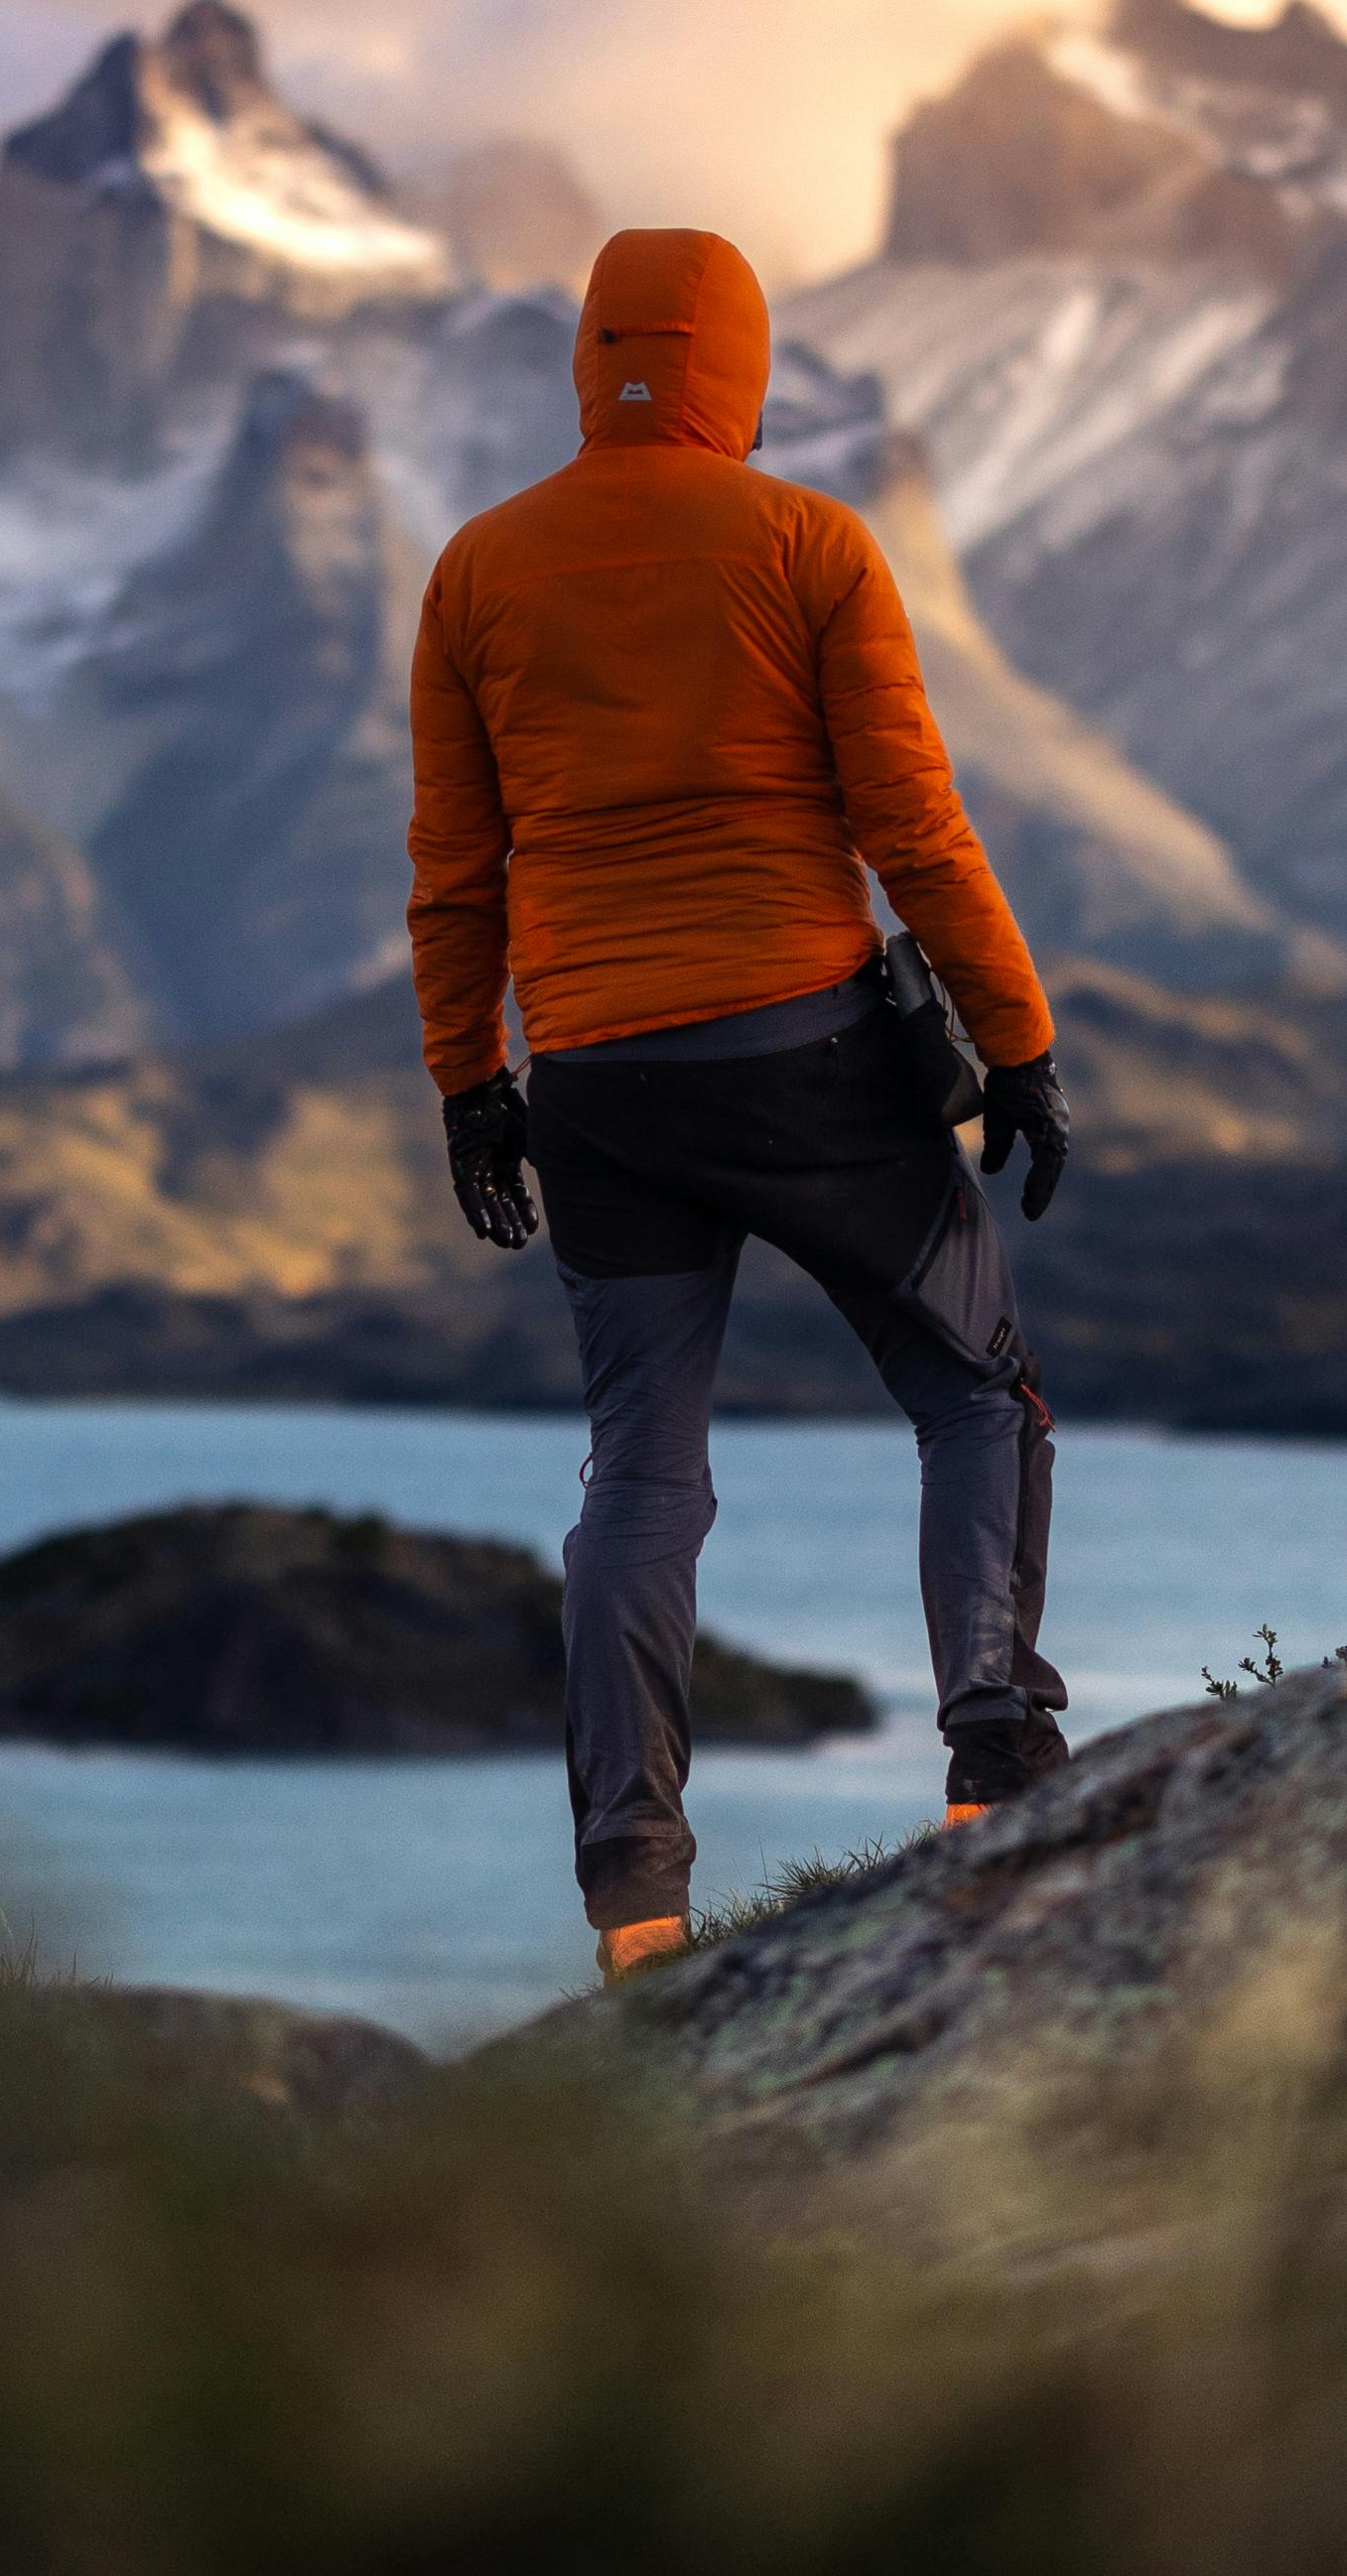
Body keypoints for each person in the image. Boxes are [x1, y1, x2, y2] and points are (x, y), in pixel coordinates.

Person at [406, 224, 1078, 1983]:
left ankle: (636, 1896)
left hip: (599, 1084)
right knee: (973, 1393)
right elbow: (914, 829)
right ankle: (996, 1771)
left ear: (592, 361)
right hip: (806, 1056)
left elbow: (453, 874)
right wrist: (1017, 1044)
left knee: (642, 1473)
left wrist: (474, 1086)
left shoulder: (477, 570)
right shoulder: (808, 544)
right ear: (743, 374)